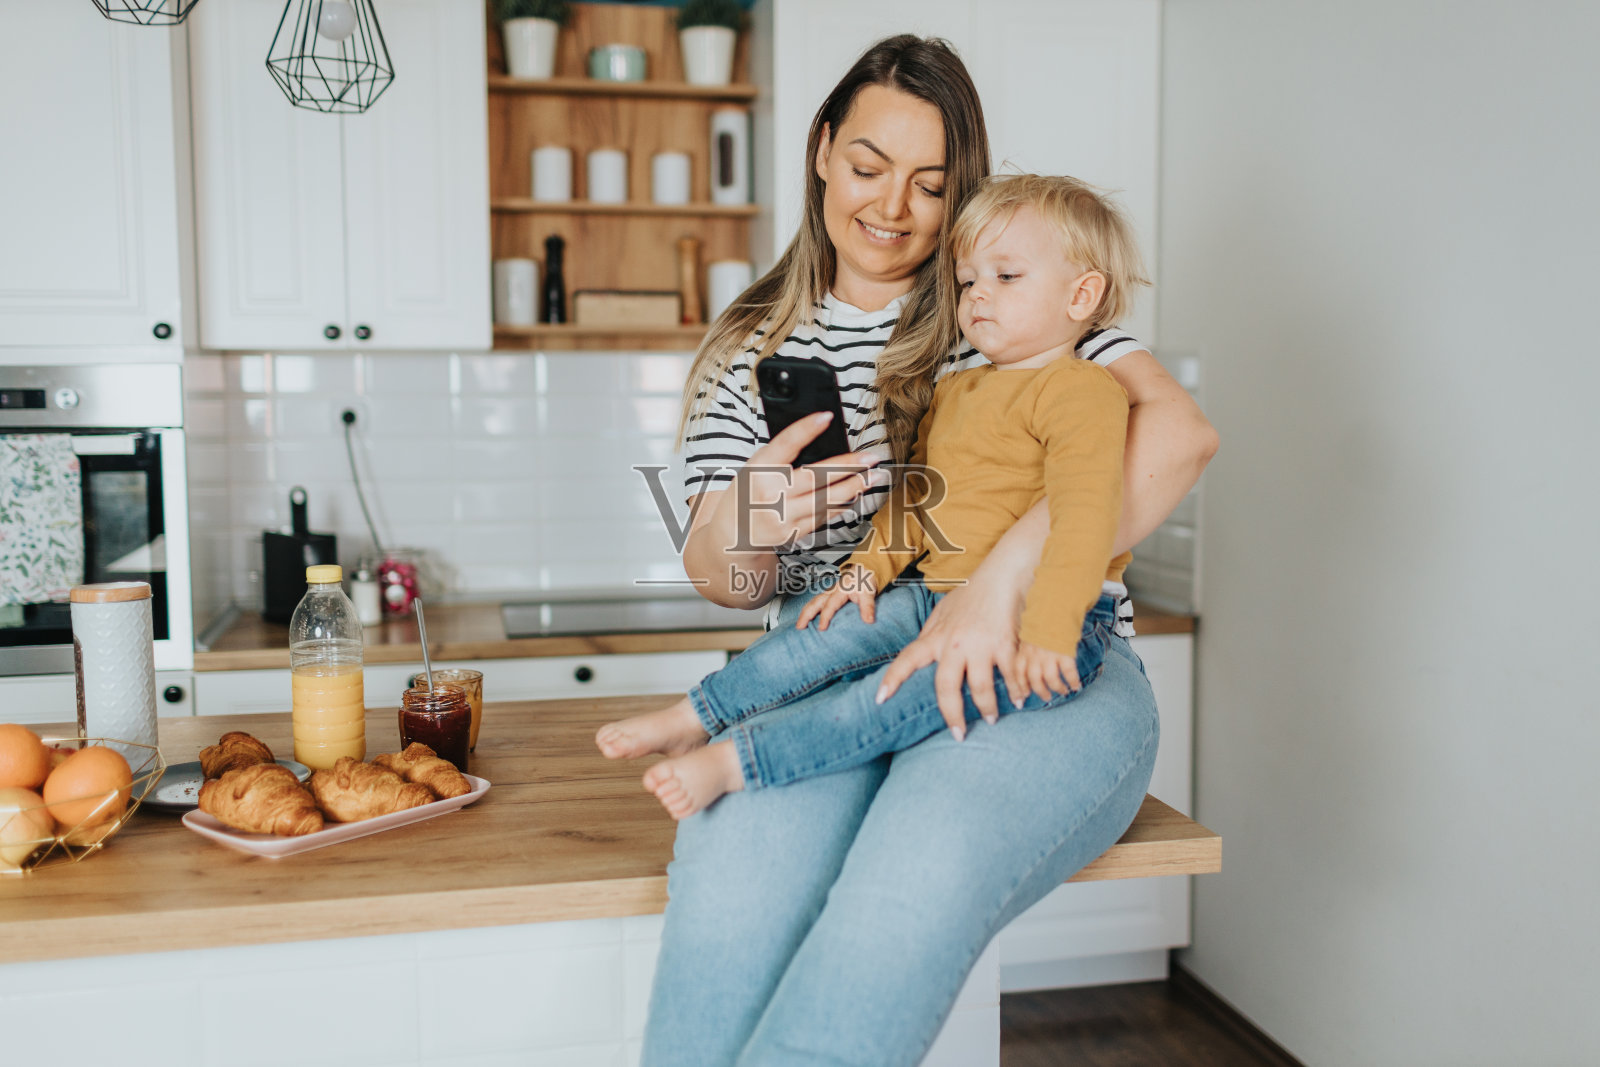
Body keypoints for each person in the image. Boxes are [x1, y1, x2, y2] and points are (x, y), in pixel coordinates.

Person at [636, 35, 1218, 1067]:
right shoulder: (749, 345)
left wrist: (997, 581)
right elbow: (724, 582)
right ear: (820, 150)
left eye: (930, 184)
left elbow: (1175, 436)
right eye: (866, 167)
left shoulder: (1009, 294)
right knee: (732, 895)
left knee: (905, 888)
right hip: (834, 665)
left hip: (1043, 662)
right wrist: (754, 515)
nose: (892, 206)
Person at [599, 174, 1144, 821]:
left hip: (1048, 620)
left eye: (1006, 277)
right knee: (812, 638)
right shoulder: (960, 390)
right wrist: (865, 570)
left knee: (885, 701)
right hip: (934, 596)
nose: (976, 298)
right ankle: (697, 714)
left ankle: (740, 761)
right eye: (969, 280)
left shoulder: (1086, 389)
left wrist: (1051, 632)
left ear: (1082, 294)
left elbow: (1086, 516)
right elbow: (917, 502)